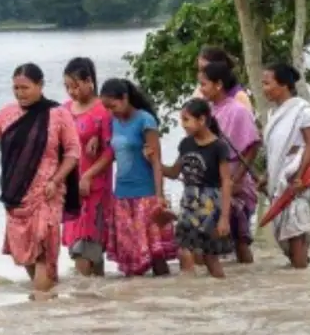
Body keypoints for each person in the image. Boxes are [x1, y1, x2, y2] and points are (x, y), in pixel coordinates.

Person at [0, 63, 80, 293]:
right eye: (16, 88)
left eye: (25, 88)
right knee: (27, 256)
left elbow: (73, 152)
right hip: (16, 195)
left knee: (44, 250)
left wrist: (56, 180)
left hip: (47, 193)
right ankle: (45, 297)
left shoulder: (58, 114)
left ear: (40, 85)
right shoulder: (8, 113)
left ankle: (41, 306)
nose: (20, 93)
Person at [101, 77, 176, 277]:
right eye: (106, 107)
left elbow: (156, 161)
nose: (110, 111)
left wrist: (159, 196)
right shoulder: (113, 122)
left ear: (125, 98)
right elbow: (114, 153)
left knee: (156, 255)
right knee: (129, 257)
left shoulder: (145, 120)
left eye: (113, 105)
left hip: (146, 194)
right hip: (122, 196)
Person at [262, 62, 310, 269]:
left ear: (284, 85)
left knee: (296, 232)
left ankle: (300, 281)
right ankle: (299, 270)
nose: (264, 88)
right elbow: (275, 151)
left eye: (267, 83)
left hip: (297, 182)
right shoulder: (273, 114)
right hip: (278, 182)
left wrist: (298, 177)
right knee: (284, 236)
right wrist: (266, 175)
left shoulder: (304, 112)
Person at [198, 60, 261, 264]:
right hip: (212, 183)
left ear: (218, 85)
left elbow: (252, 146)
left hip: (235, 184)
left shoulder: (238, 110)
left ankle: (246, 276)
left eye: (204, 84)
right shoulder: (207, 112)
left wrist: (236, 179)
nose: (201, 89)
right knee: (209, 239)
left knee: (240, 238)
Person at [161, 99, 233, 278]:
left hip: (211, 205)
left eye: (186, 120)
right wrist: (153, 162)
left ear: (201, 120)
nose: (183, 125)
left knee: (210, 256)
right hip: (189, 203)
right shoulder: (186, 144)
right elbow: (173, 172)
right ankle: (190, 291)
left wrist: (224, 217)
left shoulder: (219, 147)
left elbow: (226, 181)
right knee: (183, 248)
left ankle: (221, 290)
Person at [62, 57, 114, 277]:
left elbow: (111, 151)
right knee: (80, 249)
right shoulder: (64, 110)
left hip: (95, 188)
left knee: (87, 247)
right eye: (67, 87)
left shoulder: (103, 110)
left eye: (75, 86)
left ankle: (83, 303)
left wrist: (89, 175)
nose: (71, 92)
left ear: (89, 81)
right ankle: (97, 303)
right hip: (71, 186)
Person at [194, 47, 254, 114]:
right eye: (199, 70)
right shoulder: (200, 92)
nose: (201, 74)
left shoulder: (239, 97)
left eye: (205, 69)